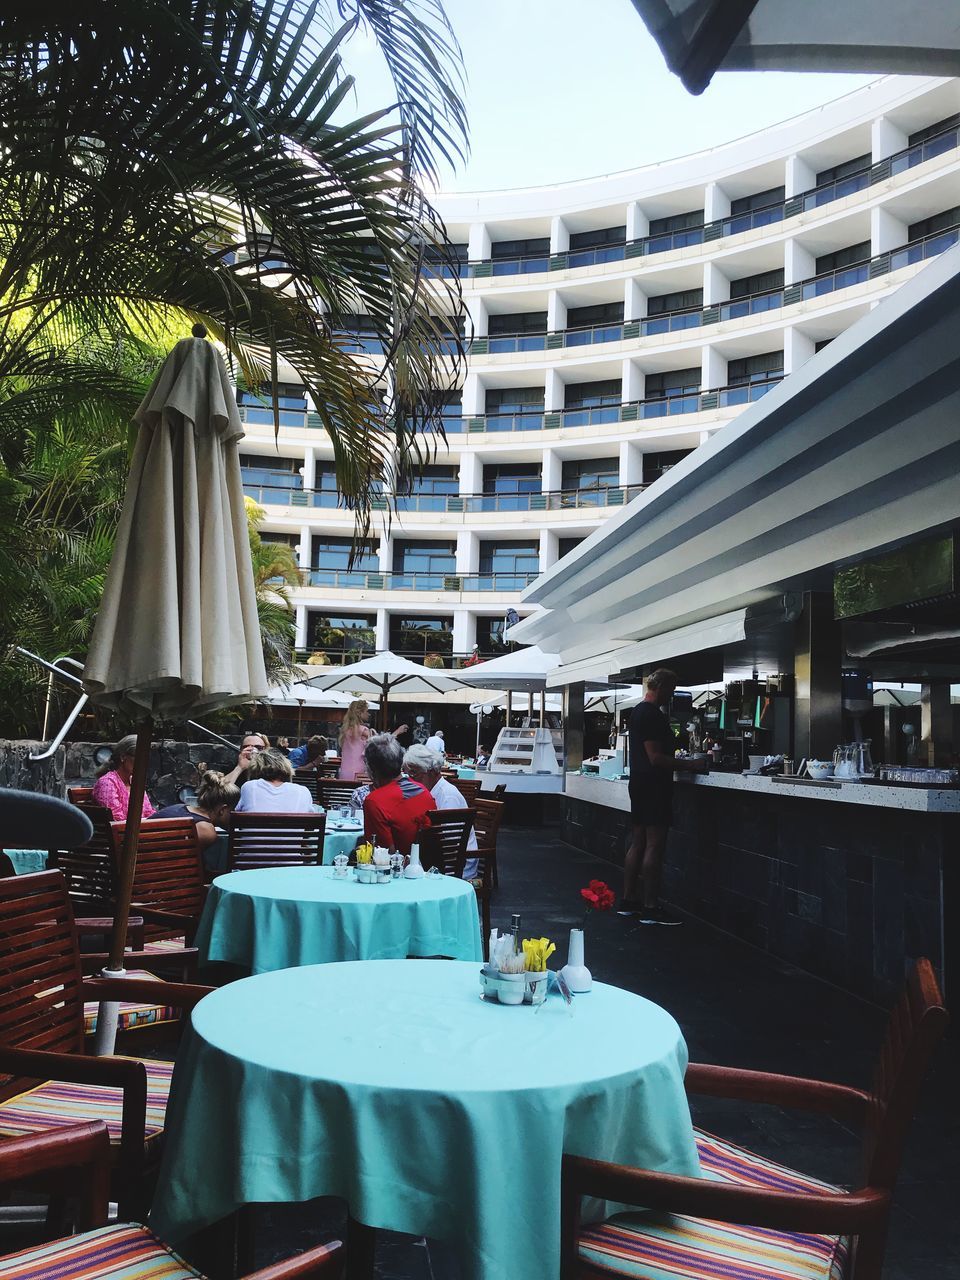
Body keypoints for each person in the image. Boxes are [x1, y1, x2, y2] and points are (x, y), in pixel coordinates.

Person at [619, 668, 706, 926]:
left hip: (639, 783)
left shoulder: (637, 711)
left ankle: (628, 901)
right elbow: (655, 757)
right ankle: (650, 907)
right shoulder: (652, 715)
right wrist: (691, 765)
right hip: (654, 786)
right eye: (671, 689)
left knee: (638, 842)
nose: (672, 695)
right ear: (663, 687)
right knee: (654, 845)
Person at [403, 744, 479, 878]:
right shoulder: (429, 790)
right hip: (440, 858)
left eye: (414, 773)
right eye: (408, 773)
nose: (410, 778)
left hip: (456, 863)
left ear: (432, 771)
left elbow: (451, 842)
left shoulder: (447, 795)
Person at [361, 734, 433, 854]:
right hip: (426, 867)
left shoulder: (374, 801)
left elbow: (382, 854)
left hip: (400, 868)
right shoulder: (423, 790)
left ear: (372, 768)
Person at [153, 771, 239, 851]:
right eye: (233, 810)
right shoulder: (206, 831)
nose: (234, 814)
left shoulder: (180, 807)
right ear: (222, 810)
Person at [91, 734, 155, 822]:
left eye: (145, 758)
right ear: (123, 757)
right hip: (121, 834)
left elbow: (148, 812)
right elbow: (115, 819)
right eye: (138, 757)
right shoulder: (107, 783)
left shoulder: (135, 782)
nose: (142, 762)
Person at [338, 700, 408, 780]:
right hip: (358, 772)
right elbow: (382, 743)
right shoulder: (362, 730)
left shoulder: (346, 730)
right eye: (366, 711)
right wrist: (398, 731)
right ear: (359, 713)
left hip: (344, 772)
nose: (369, 714)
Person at [235, 748, 313, 813]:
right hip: (293, 831)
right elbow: (311, 824)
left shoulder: (249, 787)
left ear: (255, 767)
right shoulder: (303, 791)